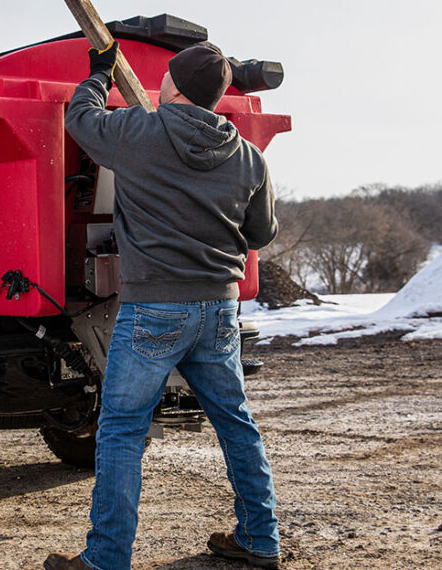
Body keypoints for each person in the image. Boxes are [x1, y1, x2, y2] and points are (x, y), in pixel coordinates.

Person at [44, 43, 283, 570]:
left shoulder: (140, 132)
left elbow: (81, 120)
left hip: (153, 308)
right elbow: (262, 232)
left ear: (173, 86)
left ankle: (107, 559)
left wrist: (98, 74)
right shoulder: (248, 156)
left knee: (122, 429)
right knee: (236, 423)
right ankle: (260, 540)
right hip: (219, 312)